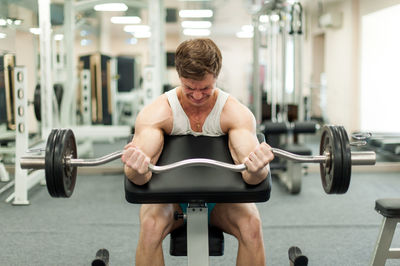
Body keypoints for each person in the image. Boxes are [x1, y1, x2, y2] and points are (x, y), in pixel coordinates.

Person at [121, 38, 274, 266]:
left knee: (251, 226)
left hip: (222, 202)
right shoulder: (158, 113)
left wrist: (259, 168)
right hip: (170, 202)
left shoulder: (234, 113)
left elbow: (250, 176)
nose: (198, 95)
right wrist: (135, 168)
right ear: (179, 76)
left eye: (205, 88)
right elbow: (140, 177)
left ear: (216, 75)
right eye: (189, 88)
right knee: (151, 227)